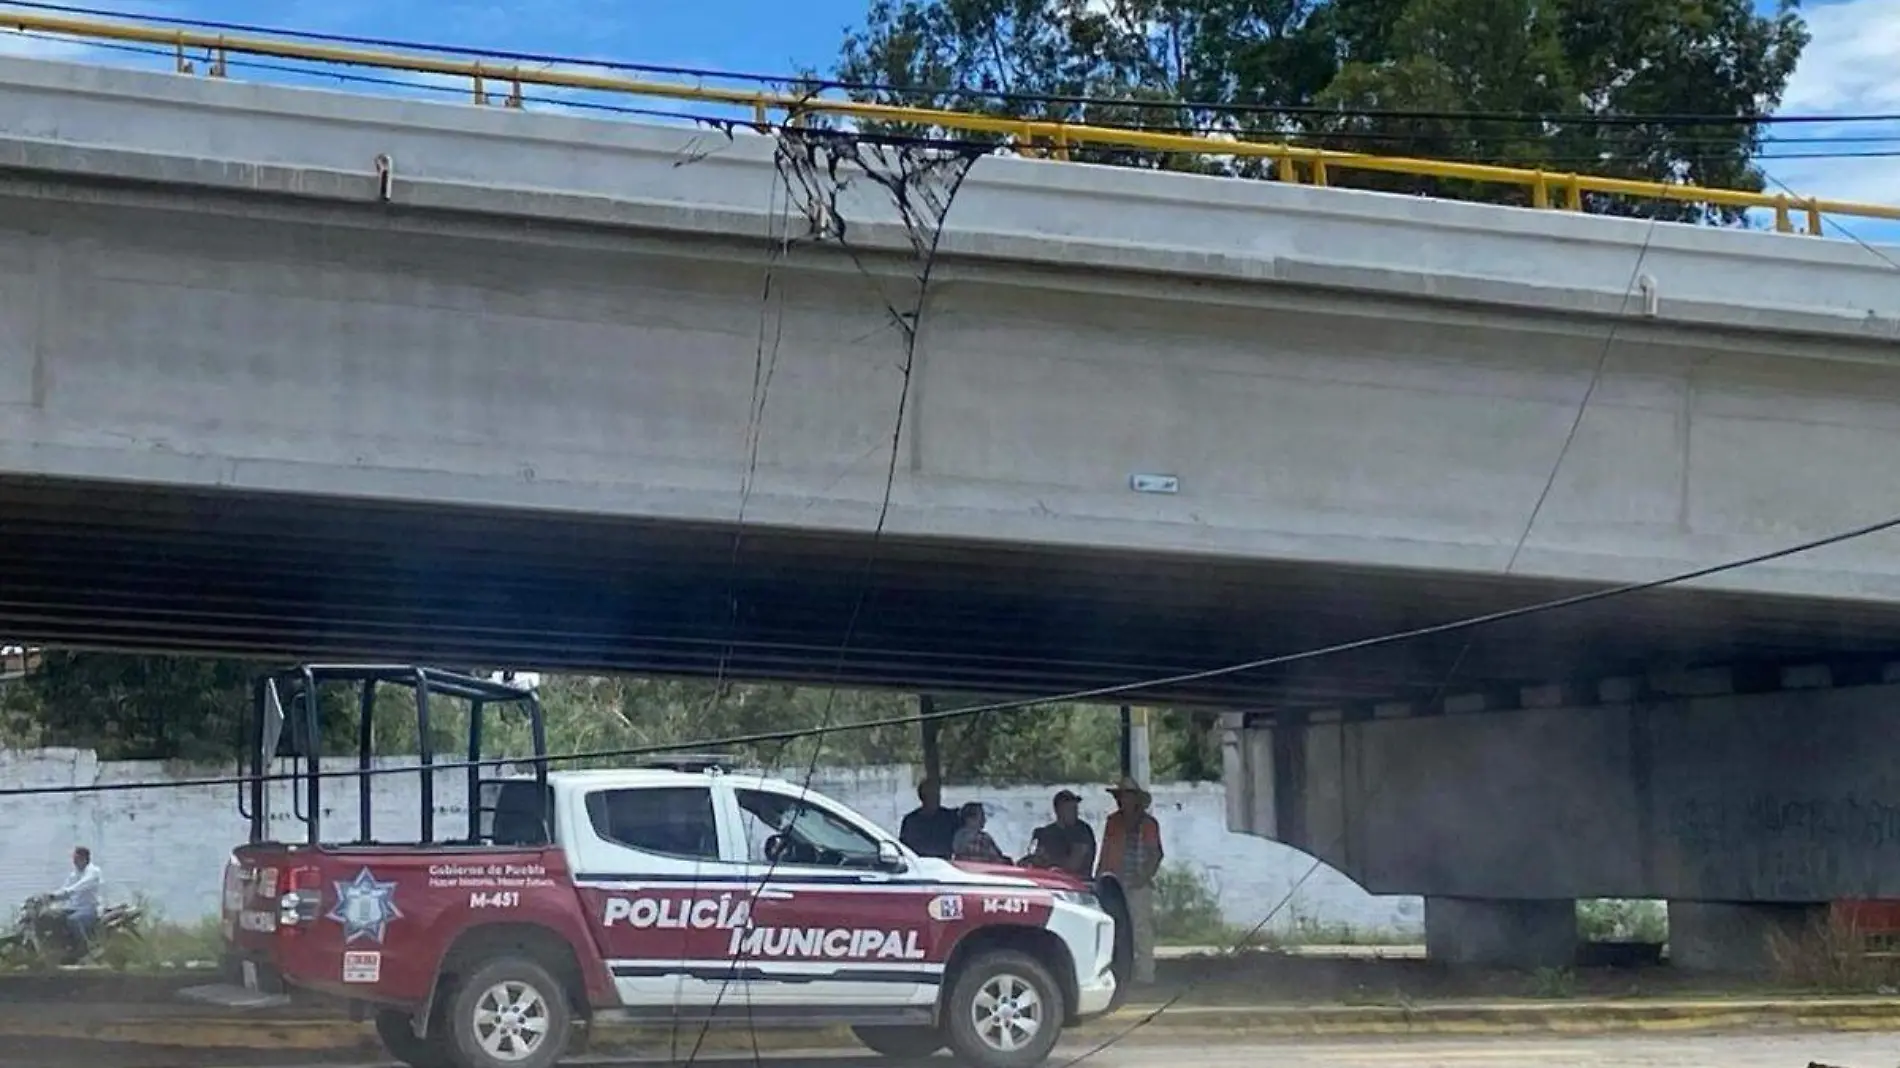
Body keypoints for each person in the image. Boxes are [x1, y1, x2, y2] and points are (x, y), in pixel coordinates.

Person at [1096, 777, 1163, 985]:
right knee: (1117, 930)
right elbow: (1106, 851)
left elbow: (1155, 854)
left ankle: (1145, 974)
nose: (1123, 800)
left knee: (1141, 928)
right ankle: (1121, 973)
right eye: (1121, 796)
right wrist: (1100, 876)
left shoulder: (1149, 824)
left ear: (1135, 799)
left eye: (1127, 795)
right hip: (1115, 883)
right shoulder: (1113, 822)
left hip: (1138, 884)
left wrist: (1143, 877)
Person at [1025, 789, 1096, 879]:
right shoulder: (1047, 831)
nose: (1074, 813)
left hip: (1079, 883)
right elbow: (1038, 857)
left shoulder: (1082, 831)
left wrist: (1047, 861)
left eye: (1075, 809)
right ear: (1057, 810)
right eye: (1069, 809)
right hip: (1049, 880)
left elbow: (1074, 865)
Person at [50, 846, 102, 950]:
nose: (74, 861)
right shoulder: (74, 874)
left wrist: (65, 892)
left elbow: (77, 887)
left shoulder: (93, 872)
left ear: (84, 858)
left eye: (76, 859)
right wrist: (50, 897)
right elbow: (64, 890)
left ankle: (86, 948)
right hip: (73, 907)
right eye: (74, 859)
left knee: (73, 920)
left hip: (90, 908)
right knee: (52, 917)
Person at [898, 778, 961, 859]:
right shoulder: (911, 821)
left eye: (937, 793)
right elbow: (904, 848)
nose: (936, 796)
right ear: (922, 797)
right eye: (931, 794)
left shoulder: (949, 817)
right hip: (919, 864)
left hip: (946, 864)